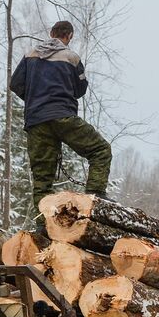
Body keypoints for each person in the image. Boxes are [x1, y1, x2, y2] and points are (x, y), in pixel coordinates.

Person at [10, 20, 112, 222]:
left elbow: (15, 83)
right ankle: (93, 201)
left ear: (51, 33)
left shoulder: (30, 55)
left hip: (36, 121)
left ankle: (44, 226)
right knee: (100, 150)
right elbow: (81, 89)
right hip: (63, 117)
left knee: (42, 181)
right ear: (69, 36)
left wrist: (34, 99)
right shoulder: (71, 57)